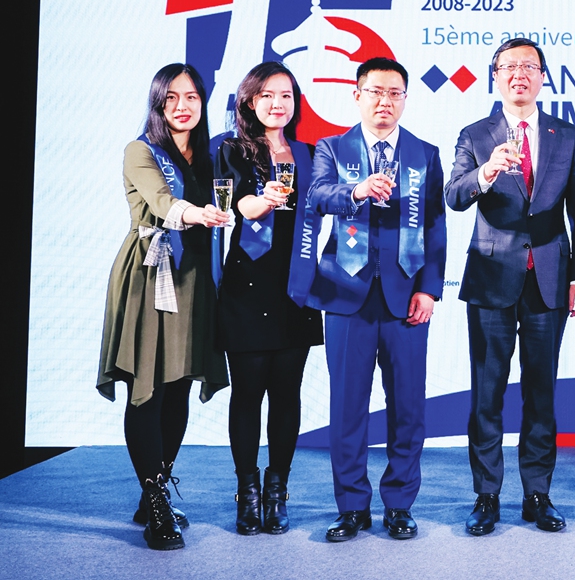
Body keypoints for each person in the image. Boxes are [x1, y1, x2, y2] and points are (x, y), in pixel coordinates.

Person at [445, 38, 575, 536]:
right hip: (491, 277)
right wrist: (486, 173)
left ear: (543, 77)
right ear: (495, 76)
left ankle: (537, 494)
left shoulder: (564, 134)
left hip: (549, 280)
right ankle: (487, 496)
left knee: (541, 393)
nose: (519, 75)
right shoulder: (475, 133)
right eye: (509, 67)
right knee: (487, 393)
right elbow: (454, 195)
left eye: (529, 67)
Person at [306, 57, 447, 542]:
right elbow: (317, 196)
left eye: (394, 93)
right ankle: (351, 506)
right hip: (347, 293)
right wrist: (356, 190)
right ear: (357, 95)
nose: (385, 102)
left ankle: (399, 504)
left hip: (407, 296)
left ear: (405, 99)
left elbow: (435, 226)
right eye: (376, 92)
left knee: (408, 408)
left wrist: (429, 288)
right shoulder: (331, 146)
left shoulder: (424, 153)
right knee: (347, 408)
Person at [97, 63, 231, 551]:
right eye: (171, 98)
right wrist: (198, 213)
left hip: (194, 278)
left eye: (191, 97)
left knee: (177, 387)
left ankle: (154, 487)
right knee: (146, 389)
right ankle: (155, 506)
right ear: (158, 104)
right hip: (150, 275)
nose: (182, 106)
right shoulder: (141, 150)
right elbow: (161, 201)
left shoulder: (210, 155)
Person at [215, 62, 323, 535]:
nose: (277, 104)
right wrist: (265, 200)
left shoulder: (311, 153)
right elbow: (238, 205)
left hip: (294, 283)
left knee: (287, 393)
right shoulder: (229, 149)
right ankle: (248, 489)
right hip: (245, 283)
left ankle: (278, 487)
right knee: (248, 392)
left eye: (286, 95)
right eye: (267, 96)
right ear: (249, 102)